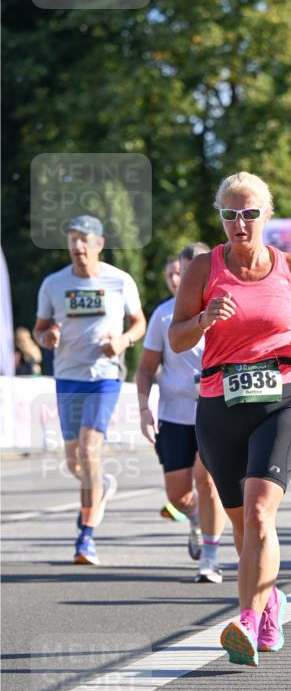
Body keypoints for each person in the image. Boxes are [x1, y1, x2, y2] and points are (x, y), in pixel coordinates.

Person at [169, 172, 291, 667]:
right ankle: (271, 601)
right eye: (230, 215)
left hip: (283, 395)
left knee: (261, 512)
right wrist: (202, 319)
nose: (241, 223)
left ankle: (245, 619)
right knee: (244, 530)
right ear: (221, 219)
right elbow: (177, 339)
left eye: (250, 213)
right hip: (220, 402)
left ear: (267, 215)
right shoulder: (203, 267)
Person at [33, 215, 146, 565]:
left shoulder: (119, 280)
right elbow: (38, 329)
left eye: (85, 239)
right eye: (72, 240)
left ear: (99, 243)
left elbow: (138, 322)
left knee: (88, 446)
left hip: (104, 375)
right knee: (74, 461)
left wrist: (123, 340)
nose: (78, 247)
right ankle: (102, 486)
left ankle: (86, 537)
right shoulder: (53, 284)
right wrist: (46, 338)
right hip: (67, 376)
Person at [137, 242, 226, 582]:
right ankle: (196, 519)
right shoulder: (163, 315)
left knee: (208, 482)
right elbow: (146, 368)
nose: (188, 277)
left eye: (196, 270)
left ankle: (211, 557)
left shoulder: (225, 307)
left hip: (215, 410)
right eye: (184, 270)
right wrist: (144, 408)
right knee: (178, 494)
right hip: (175, 415)